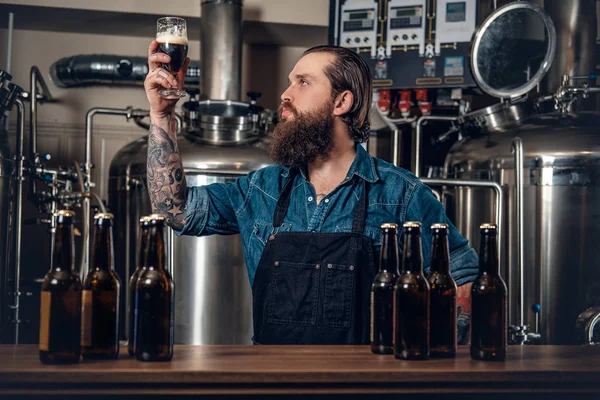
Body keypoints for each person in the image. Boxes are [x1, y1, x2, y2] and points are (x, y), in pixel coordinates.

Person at [144, 40, 478, 345]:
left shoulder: (401, 193)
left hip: (367, 386)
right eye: (290, 82)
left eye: (302, 82)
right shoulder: (261, 189)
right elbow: (177, 211)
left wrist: (430, 357)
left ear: (341, 101)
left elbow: (463, 276)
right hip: (273, 382)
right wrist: (161, 115)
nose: (285, 94)